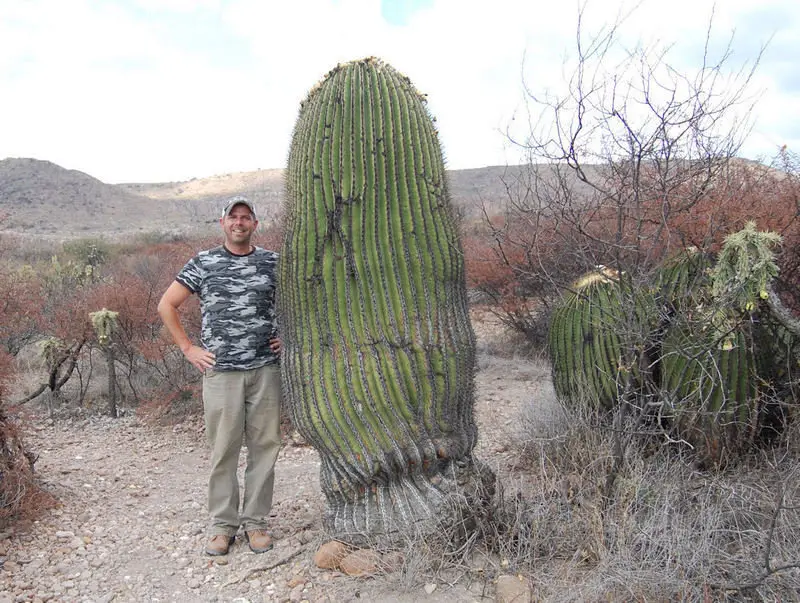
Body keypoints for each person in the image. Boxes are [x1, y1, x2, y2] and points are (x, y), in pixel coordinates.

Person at [157, 196, 282, 556]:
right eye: (233, 217)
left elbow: (299, 302)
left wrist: (285, 334)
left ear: (255, 224)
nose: (239, 223)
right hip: (222, 372)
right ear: (223, 223)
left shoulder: (271, 263)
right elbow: (167, 304)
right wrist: (187, 348)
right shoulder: (204, 262)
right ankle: (222, 525)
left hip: (264, 370)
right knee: (224, 450)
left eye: (246, 217)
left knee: (265, 448)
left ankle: (256, 523)